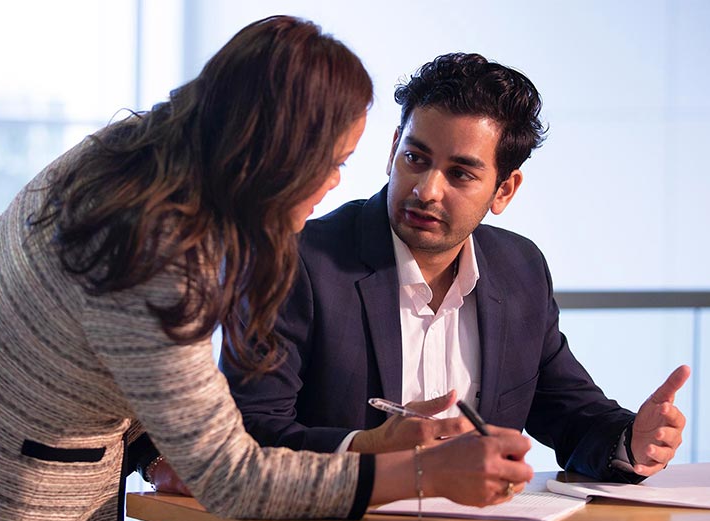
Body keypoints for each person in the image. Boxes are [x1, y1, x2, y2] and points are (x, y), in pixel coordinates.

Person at [0, 21, 535, 521]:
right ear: (276, 154)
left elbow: (111, 364)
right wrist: (426, 475)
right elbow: (233, 479)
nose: (337, 184)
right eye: (333, 160)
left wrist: (167, 444)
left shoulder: (132, 153)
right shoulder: (157, 256)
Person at [147, 52, 691, 494]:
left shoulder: (520, 269)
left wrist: (632, 441)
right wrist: (371, 450)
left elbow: (569, 412)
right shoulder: (295, 260)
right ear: (392, 151)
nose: (427, 190)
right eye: (416, 158)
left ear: (504, 190)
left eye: (460, 174)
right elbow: (250, 432)